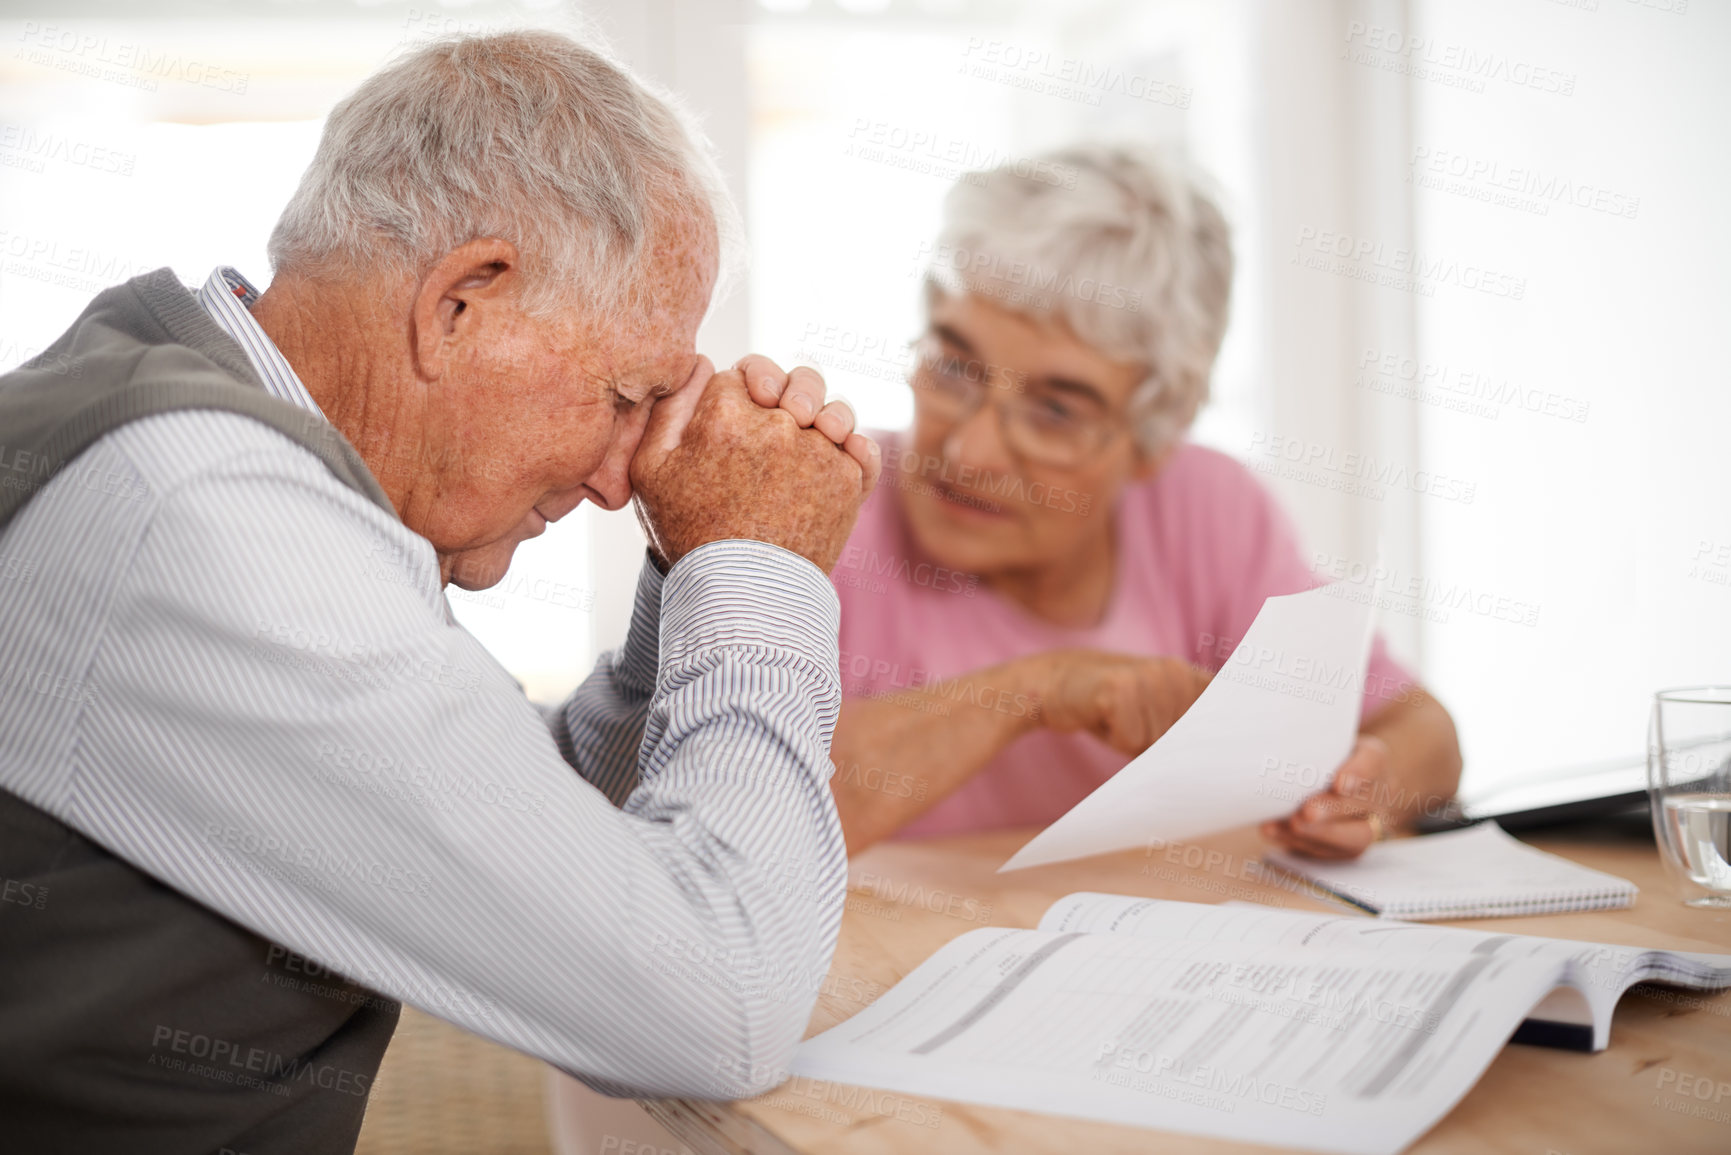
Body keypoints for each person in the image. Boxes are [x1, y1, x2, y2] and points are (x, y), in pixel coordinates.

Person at [0, 31, 878, 1153]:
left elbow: (508, 823)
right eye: (625, 395)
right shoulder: (204, 512)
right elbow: (723, 1006)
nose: (625, 479)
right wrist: (760, 565)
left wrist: (686, 575)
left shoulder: (197, 428)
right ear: (462, 299)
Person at [828, 144, 1461, 858]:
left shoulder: (1206, 508)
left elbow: (1421, 727)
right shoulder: (828, 500)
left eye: (1056, 412)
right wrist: (1044, 687)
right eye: (951, 367)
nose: (969, 452)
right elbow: (736, 806)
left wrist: (1363, 793)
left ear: (1151, 442)